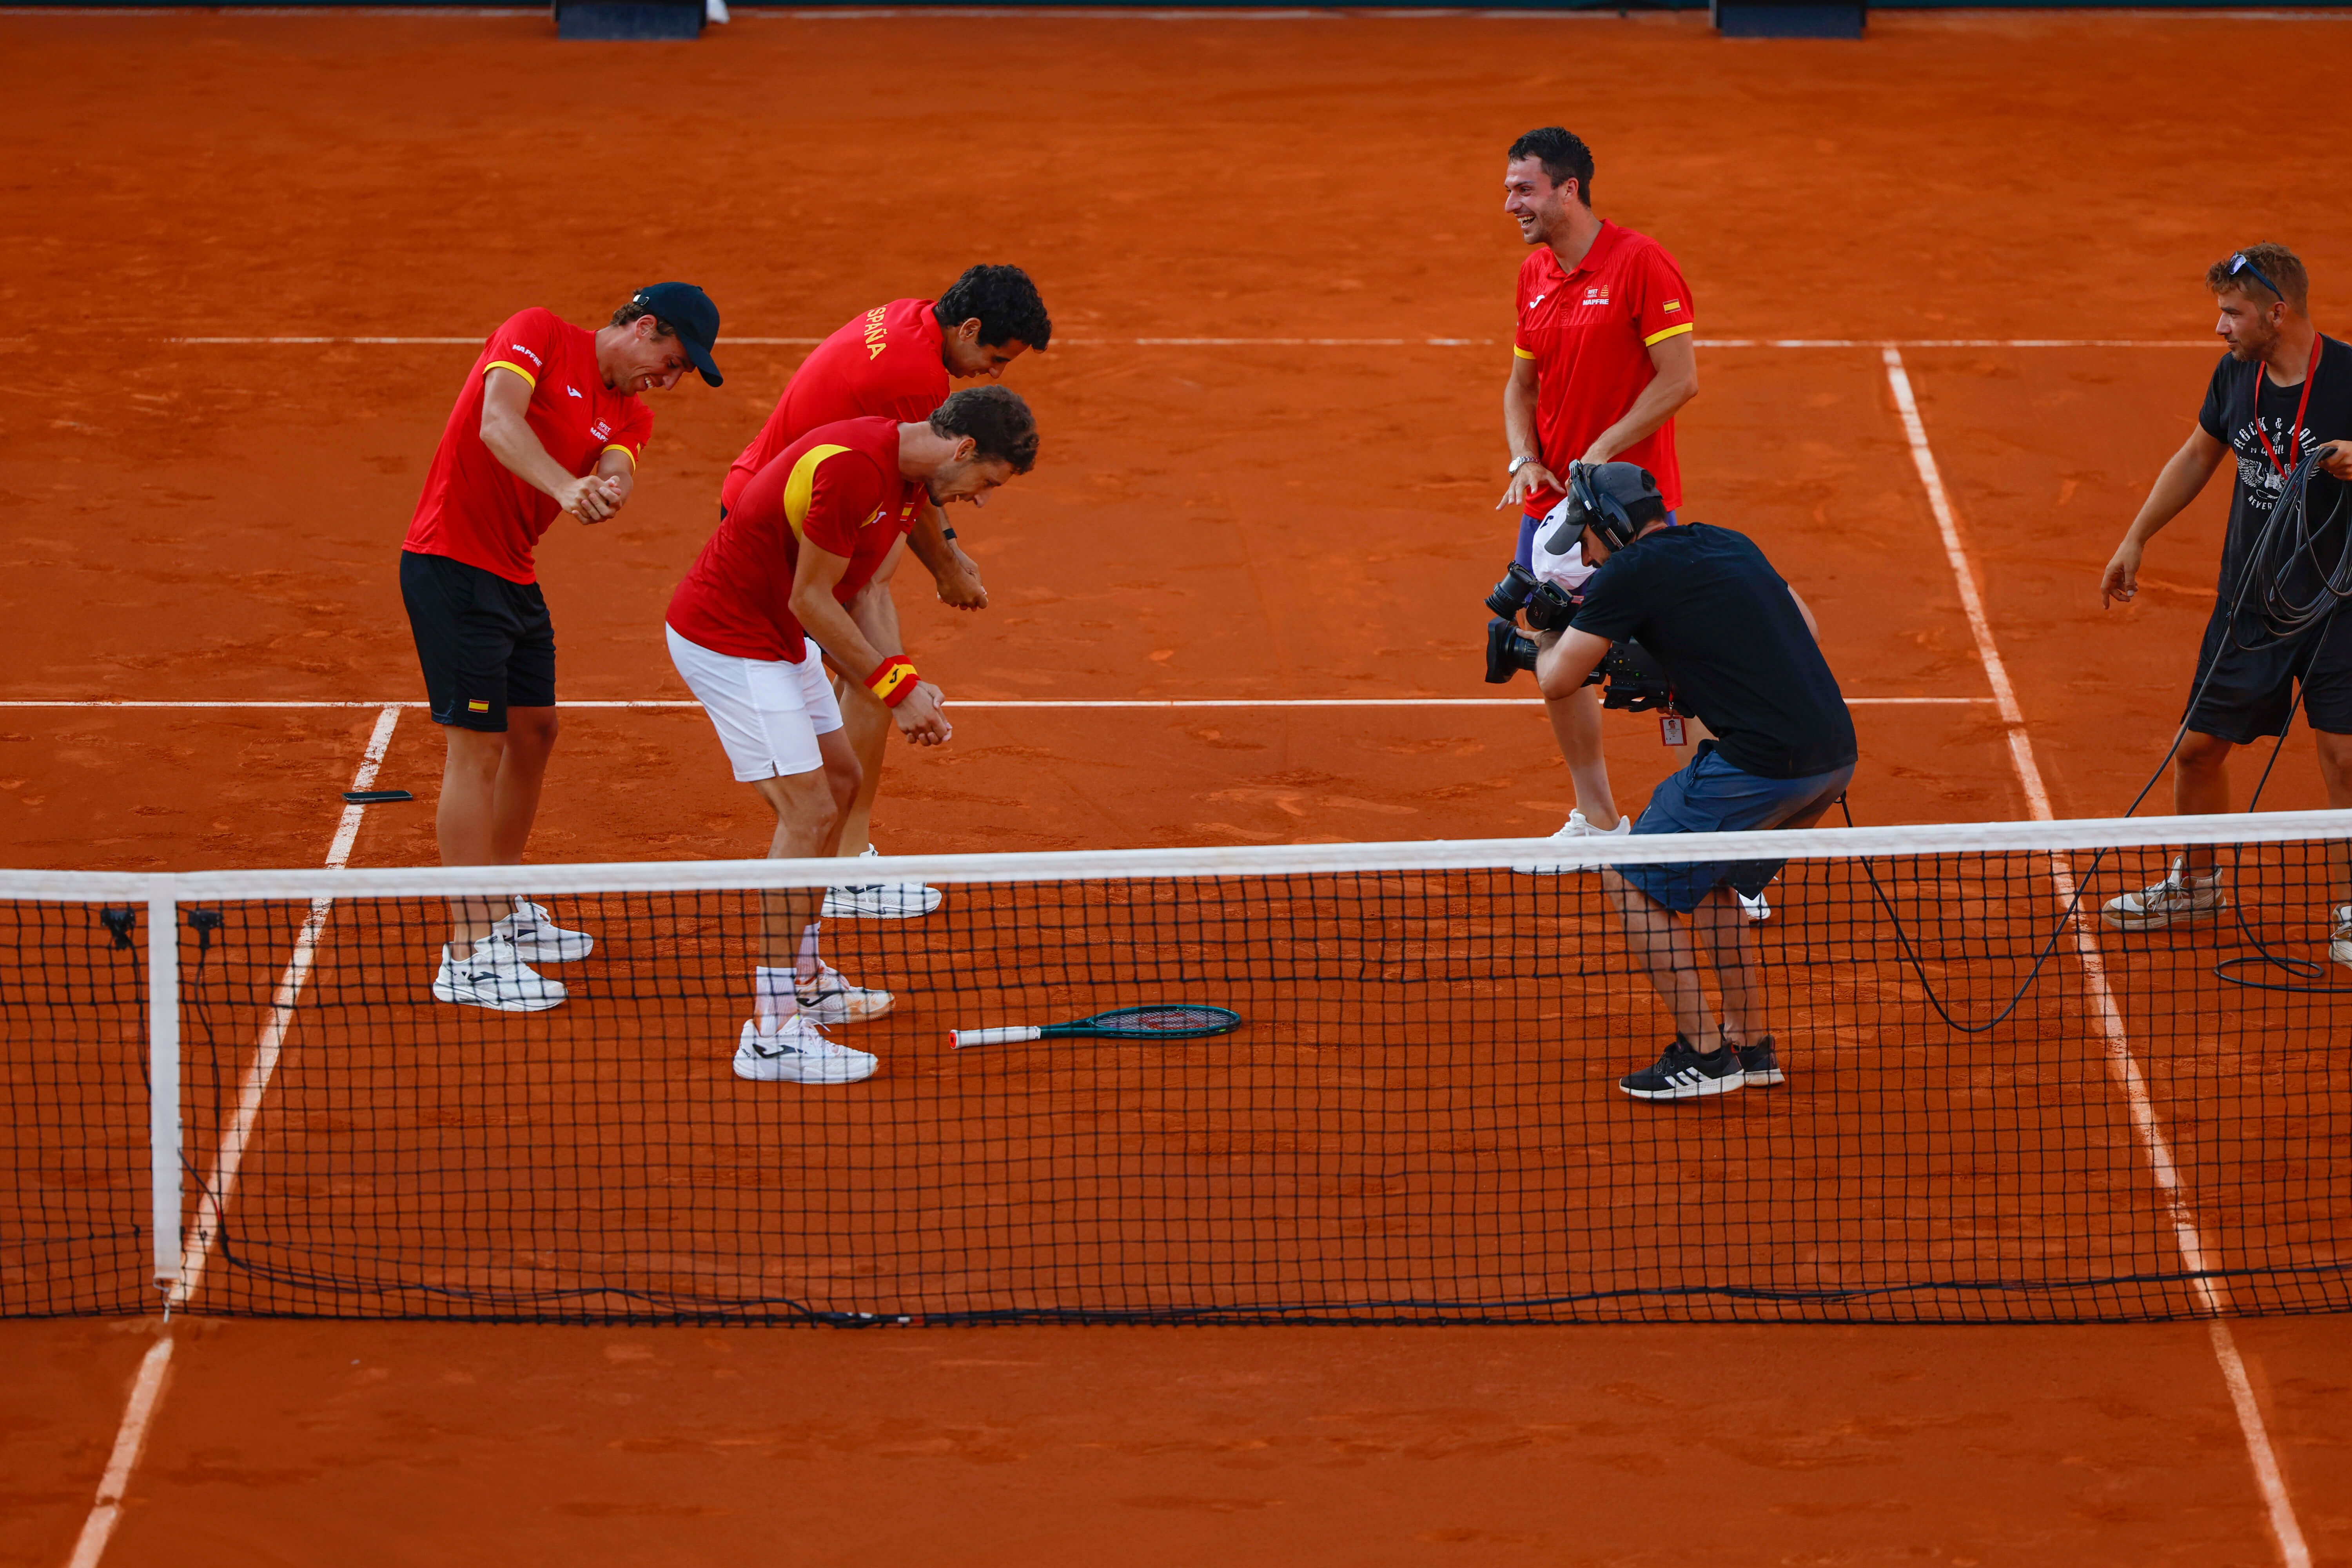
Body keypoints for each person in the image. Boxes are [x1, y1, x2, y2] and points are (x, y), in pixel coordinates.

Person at [666, 387, 1041, 1084]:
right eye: (987, 482)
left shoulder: (903, 479)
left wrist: (904, 680)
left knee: (838, 787)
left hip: (776, 641)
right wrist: (895, 692)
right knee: (808, 813)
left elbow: (863, 594)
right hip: (730, 640)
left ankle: (805, 980)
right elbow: (809, 599)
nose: (982, 500)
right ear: (963, 450)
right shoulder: (853, 468)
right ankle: (773, 1032)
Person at [402, 283, 723, 1012]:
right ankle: (469, 951)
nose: (667, 382)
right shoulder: (538, 333)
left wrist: (606, 490)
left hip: (512, 574)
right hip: (451, 564)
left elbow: (618, 465)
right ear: (644, 328)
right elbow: (496, 423)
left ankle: (500, 900)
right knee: (477, 746)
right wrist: (565, 485)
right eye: (670, 362)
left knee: (535, 732)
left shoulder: (631, 411)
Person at [723, 266, 1051, 920]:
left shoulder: (908, 318)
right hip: (790, 527)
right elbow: (924, 473)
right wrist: (949, 567)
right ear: (970, 327)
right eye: (993, 358)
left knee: (880, 663)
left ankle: (844, 850)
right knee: (877, 672)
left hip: (795, 503)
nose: (993, 375)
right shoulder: (913, 380)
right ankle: (841, 862)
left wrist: (948, 550)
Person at [1530, 463, 1855, 1101]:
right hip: (1834, 757)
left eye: (1587, 539)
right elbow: (1808, 634)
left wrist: (1538, 634)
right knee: (1713, 883)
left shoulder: (1627, 573)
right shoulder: (1730, 540)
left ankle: (1704, 1057)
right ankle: (1750, 1044)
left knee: (1627, 875)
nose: (1586, 555)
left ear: (1612, 528)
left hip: (1761, 766)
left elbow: (1556, 680)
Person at [2099, 245, 2352, 954]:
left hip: (2342, 604)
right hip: (2254, 601)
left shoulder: (2351, 376)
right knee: (2199, 750)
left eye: (2232, 314)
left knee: (2345, 757)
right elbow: (2198, 455)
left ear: (2279, 312)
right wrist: (2136, 537)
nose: (2220, 328)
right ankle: (2198, 886)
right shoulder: (2236, 375)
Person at [1495, 127, 1700, 865]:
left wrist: (1601, 454)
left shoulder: (1640, 263)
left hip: (1629, 514)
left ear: (1567, 189)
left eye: (1524, 189)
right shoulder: (1534, 276)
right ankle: (1598, 818)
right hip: (1551, 514)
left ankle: (1724, 841)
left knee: (1683, 667)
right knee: (1554, 655)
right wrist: (1526, 457)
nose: (1511, 203)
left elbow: (1679, 379)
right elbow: (1521, 386)